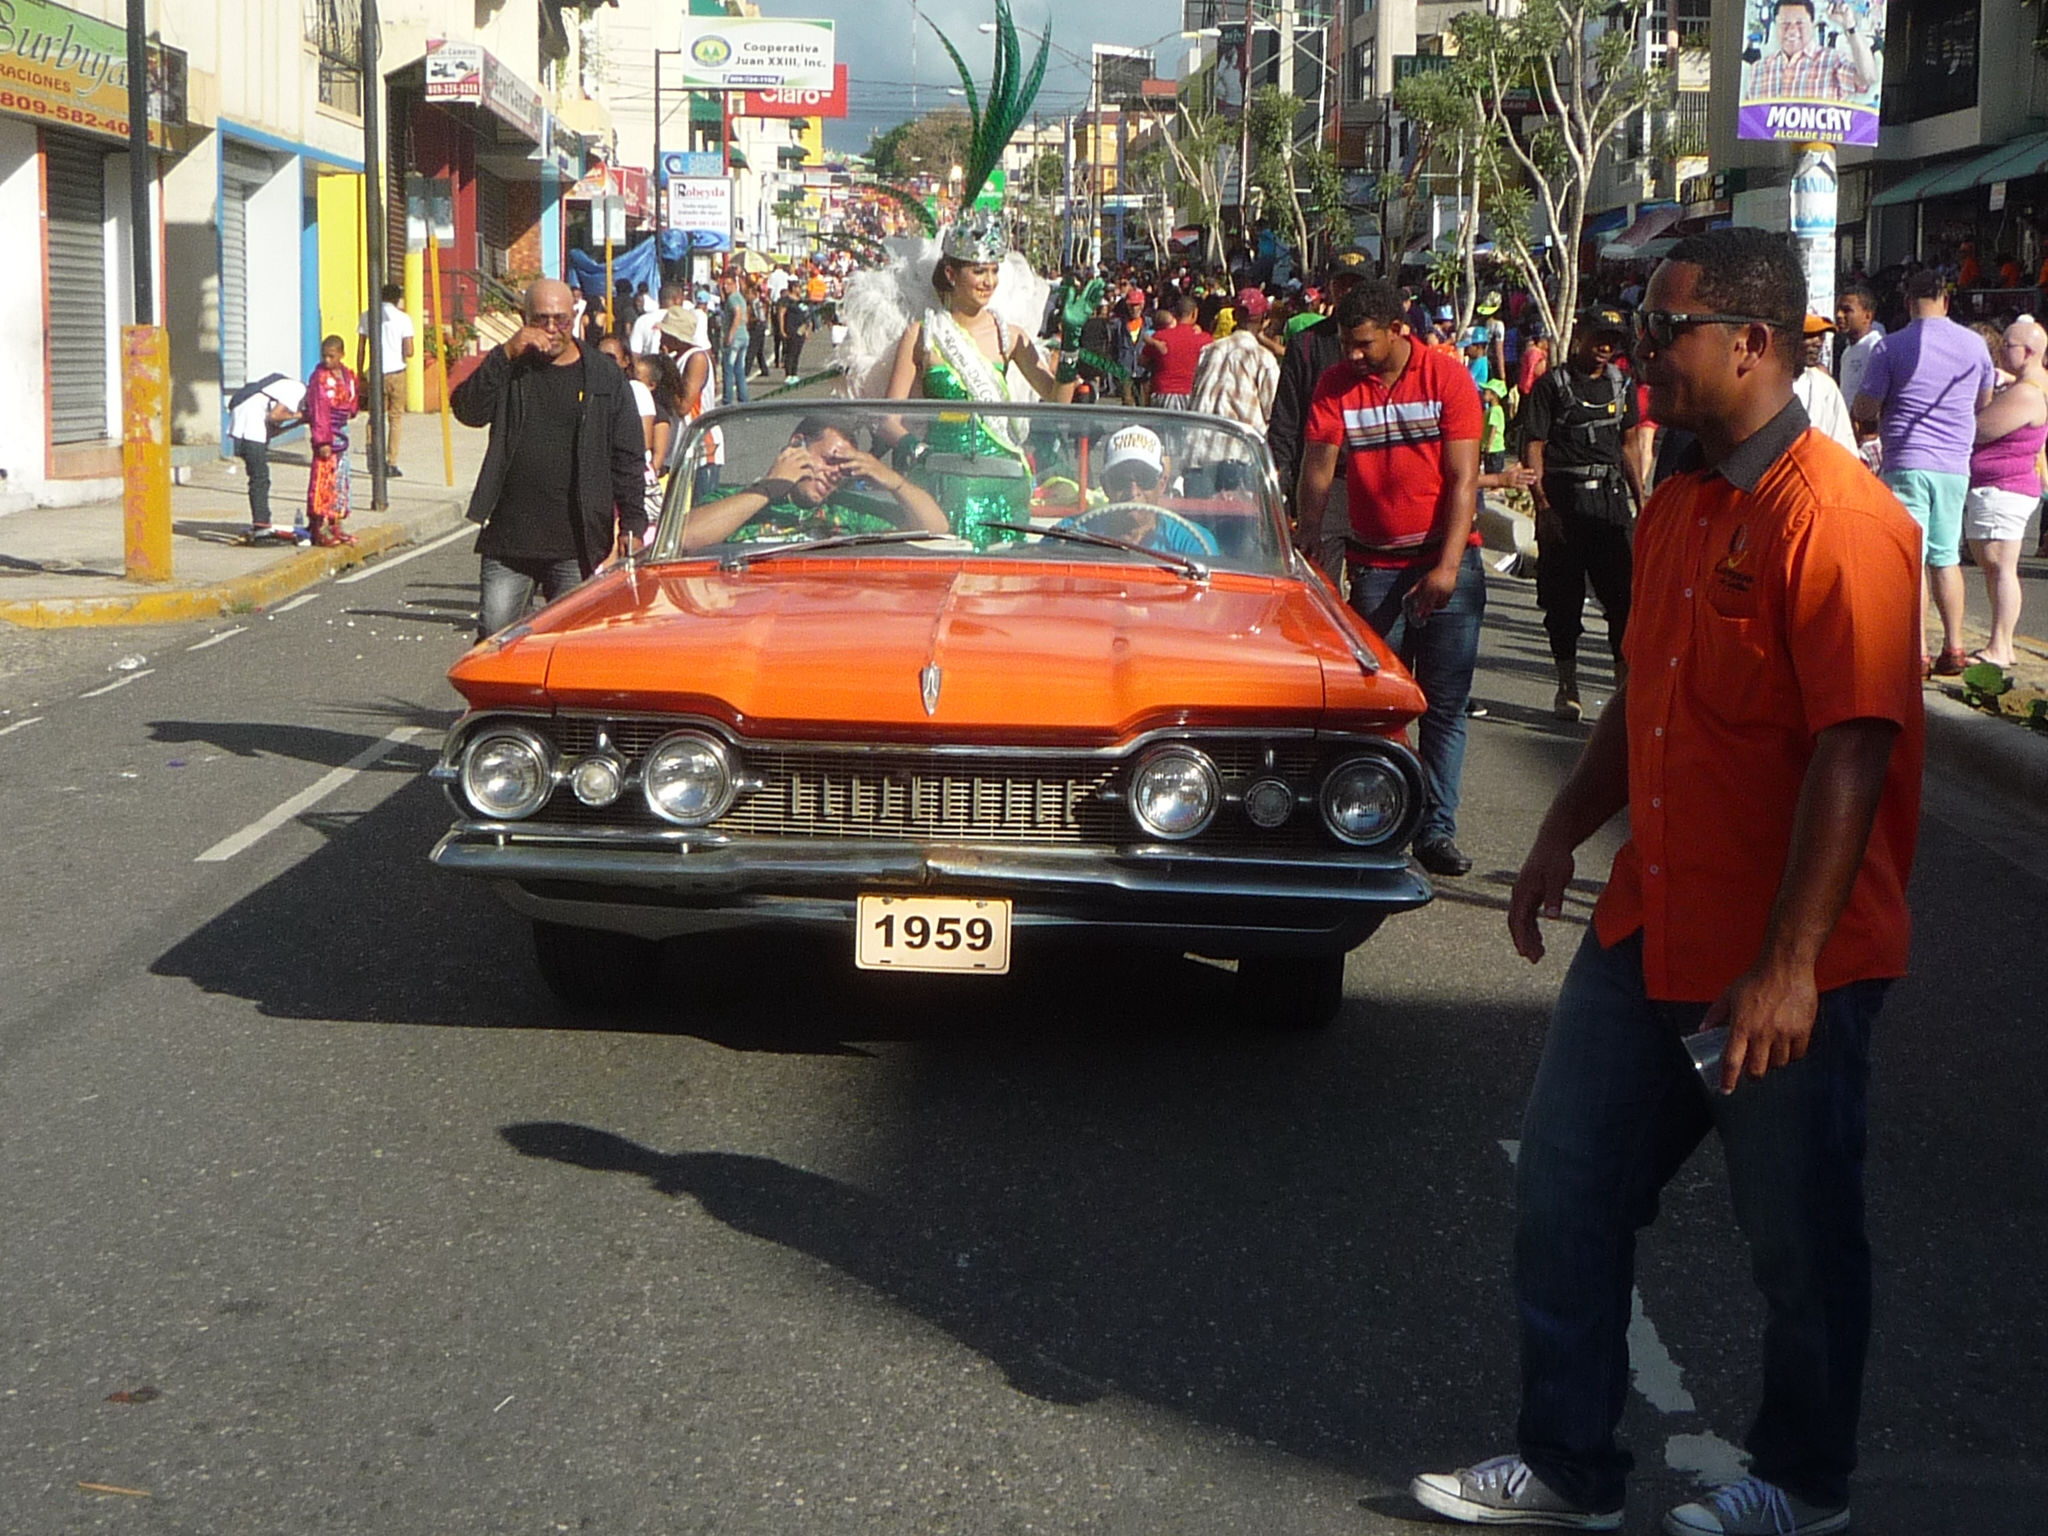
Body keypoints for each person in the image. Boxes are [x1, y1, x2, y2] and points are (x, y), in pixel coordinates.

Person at [1415, 225, 1924, 1536]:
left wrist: (1791, 965)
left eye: (1665, 331)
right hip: (1649, 925)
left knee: (1798, 1246)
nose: (1640, 355)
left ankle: (1803, 1485)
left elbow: (1852, 752)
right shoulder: (1685, 500)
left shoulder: (1841, 522)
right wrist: (1556, 837)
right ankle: (1569, 1463)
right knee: (1565, 1191)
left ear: (1755, 343)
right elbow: (1647, 694)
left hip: (1781, 960)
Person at [1294, 278, 1486, 878]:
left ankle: (1436, 828)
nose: (1352, 355)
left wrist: (1448, 568)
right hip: (1375, 567)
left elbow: (1463, 481)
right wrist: (1307, 547)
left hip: (1444, 563)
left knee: (1444, 705)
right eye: (1346, 344)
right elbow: (1317, 472)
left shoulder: (1448, 379)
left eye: (1364, 344)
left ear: (1398, 330)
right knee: (1375, 702)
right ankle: (1375, 818)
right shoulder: (1336, 386)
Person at [451, 277, 647, 639]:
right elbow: (467, 410)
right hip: (510, 539)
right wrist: (506, 353)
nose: (553, 330)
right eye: (542, 320)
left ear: (575, 318)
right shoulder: (512, 367)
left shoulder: (603, 375)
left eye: (561, 319)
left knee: (570, 642)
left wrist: (633, 523)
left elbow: (628, 454)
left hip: (576, 542)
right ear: (525, 319)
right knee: (495, 637)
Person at [1850, 267, 1996, 676]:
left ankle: (1916, 652)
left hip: (1906, 462)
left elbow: (1864, 407)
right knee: (1945, 557)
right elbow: (1982, 402)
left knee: (1909, 560)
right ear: (1946, 300)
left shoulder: (1890, 347)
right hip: (1954, 466)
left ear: (1906, 303)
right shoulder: (1975, 346)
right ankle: (1955, 646)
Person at [1521, 307, 1646, 721]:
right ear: (1580, 337)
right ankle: (1567, 685)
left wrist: (1641, 501)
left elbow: (1629, 445)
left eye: (1612, 342)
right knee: (1562, 602)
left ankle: (1623, 690)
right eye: (1598, 338)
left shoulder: (1621, 384)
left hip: (1609, 505)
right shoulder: (1551, 386)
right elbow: (1534, 445)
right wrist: (1542, 507)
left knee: (1623, 601)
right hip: (1564, 503)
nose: (1604, 349)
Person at [681, 416, 948, 549]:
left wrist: (893, 482)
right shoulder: (732, 500)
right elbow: (684, 537)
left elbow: (936, 528)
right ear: (797, 444)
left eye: (844, 468)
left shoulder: (847, 510)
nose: (835, 474)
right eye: (829, 460)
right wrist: (769, 488)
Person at [1265, 259, 1369, 580]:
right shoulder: (1307, 343)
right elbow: (1286, 419)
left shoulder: (1390, 346)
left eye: (1356, 284)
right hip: (1323, 486)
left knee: (1373, 599)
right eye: (1341, 284)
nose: (1348, 292)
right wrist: (1280, 483)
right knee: (1320, 585)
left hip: (1372, 484)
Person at [1964, 317, 2048, 667]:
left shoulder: (2026, 392)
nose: (2001, 351)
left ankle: (2000, 645)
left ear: (2028, 352)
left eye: (2008, 346)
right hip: (2002, 486)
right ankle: (2000, 643)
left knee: (1999, 565)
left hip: (2005, 487)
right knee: (1995, 565)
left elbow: (1980, 429)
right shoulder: (2025, 385)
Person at [1055, 425, 1220, 556]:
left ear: (1161, 484)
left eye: (1144, 478)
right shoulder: (1070, 534)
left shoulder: (1193, 542)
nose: (1133, 491)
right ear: (1105, 485)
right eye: (1120, 479)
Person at [225, 370, 305, 545]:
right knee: (260, 478)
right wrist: (302, 416)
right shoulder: (298, 389)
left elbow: (273, 430)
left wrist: (298, 422)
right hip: (249, 422)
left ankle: (261, 522)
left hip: (243, 421)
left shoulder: (281, 392)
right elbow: (275, 416)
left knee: (258, 476)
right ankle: (261, 526)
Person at [1744, 0, 1876, 103]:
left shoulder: (1834, 61)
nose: (1792, 30)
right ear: (1775, 25)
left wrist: (1850, 26)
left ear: (1812, 24)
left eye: (1799, 23)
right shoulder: (1759, 69)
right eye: (1785, 23)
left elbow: (1868, 78)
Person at [304, 334, 360, 548]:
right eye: (324, 356)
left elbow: (352, 402)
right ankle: (319, 526)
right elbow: (319, 411)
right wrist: (323, 441)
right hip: (328, 433)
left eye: (332, 356)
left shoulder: (347, 376)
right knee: (324, 479)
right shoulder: (319, 379)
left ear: (341, 355)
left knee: (341, 478)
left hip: (342, 431)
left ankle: (336, 522)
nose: (327, 361)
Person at [356, 282, 414, 477]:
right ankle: (392, 461)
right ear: (397, 299)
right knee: (395, 418)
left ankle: (373, 461)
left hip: (375, 372)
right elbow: (410, 350)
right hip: (397, 372)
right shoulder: (404, 319)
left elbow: (362, 347)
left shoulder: (367, 315)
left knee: (374, 417)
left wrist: (360, 371)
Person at [1793, 314, 1858, 452]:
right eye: (1809, 335)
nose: (1817, 342)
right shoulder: (1764, 386)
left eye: (1821, 336)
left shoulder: (1825, 386)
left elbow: (1843, 445)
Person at [1831, 283, 1883, 444]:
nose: (1839, 315)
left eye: (1847, 310)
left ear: (1867, 316)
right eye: (1838, 310)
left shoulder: (1876, 348)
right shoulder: (1847, 352)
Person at [1144, 295, 1210, 409]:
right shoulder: (1205, 340)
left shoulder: (1160, 337)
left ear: (1174, 314)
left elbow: (1143, 361)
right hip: (1192, 393)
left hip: (1162, 392)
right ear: (1194, 313)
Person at [717, 271, 751, 406]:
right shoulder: (740, 298)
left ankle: (727, 399)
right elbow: (745, 315)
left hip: (735, 338)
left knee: (728, 368)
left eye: (728, 284)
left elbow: (737, 314)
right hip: (744, 336)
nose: (725, 287)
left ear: (734, 285)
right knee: (739, 369)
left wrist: (730, 335)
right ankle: (743, 398)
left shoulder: (732, 299)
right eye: (724, 284)